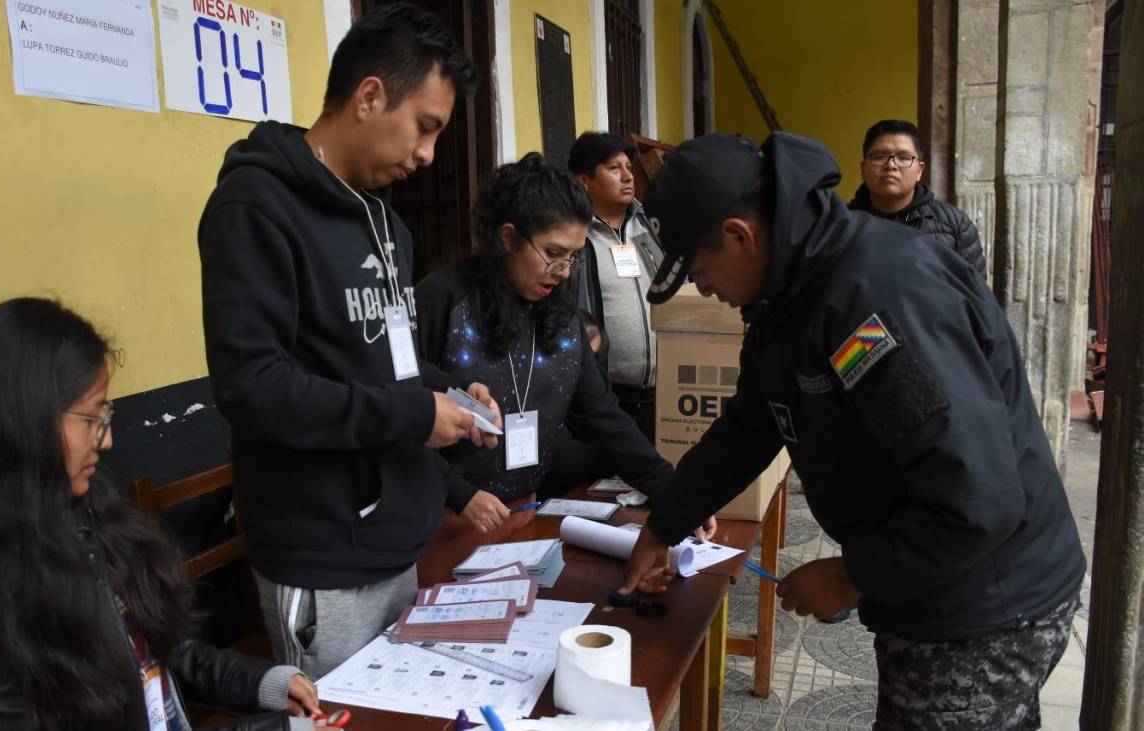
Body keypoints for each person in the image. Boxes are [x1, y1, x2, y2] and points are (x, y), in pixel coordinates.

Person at [620, 133, 1084, 729]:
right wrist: (665, 523)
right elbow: (752, 425)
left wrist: (849, 576)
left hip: (986, 602)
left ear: (741, 235)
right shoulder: (793, 287)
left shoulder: (877, 300)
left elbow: (976, 501)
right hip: (932, 584)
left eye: (701, 270)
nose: (703, 289)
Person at [197, 3, 497, 679]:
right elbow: (253, 386)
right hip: (322, 557)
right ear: (369, 96)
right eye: (425, 127)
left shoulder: (388, 227)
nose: (427, 154)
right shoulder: (255, 207)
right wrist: (415, 413)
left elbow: (389, 358)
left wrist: (447, 390)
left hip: (397, 542)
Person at [0, 298, 322, 731]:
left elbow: (151, 651)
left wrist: (261, 685)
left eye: (107, 415)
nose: (106, 441)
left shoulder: (82, 513)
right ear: (22, 423)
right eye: (91, 419)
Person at [414, 153, 678, 534]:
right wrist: (456, 491)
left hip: (526, 513)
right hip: (440, 517)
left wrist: (671, 490)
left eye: (573, 257)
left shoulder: (562, 314)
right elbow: (399, 408)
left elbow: (601, 415)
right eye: (552, 253)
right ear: (508, 238)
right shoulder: (442, 299)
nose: (562, 271)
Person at [566, 132, 666, 443]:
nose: (627, 176)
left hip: (664, 396)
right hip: (606, 400)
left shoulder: (652, 226)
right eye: (614, 168)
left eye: (628, 167)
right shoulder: (573, 240)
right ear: (585, 180)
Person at [848, 119, 986, 275]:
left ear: (919, 170)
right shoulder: (841, 224)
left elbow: (975, 295)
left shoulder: (955, 225)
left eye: (904, 158)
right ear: (863, 168)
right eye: (879, 157)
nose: (891, 165)